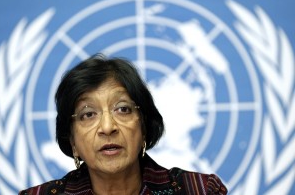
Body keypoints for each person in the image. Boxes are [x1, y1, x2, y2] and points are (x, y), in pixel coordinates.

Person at [19, 53, 227, 195]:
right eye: (88, 114)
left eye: (123, 109)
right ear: (72, 140)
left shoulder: (199, 190)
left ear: (144, 127)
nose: (108, 127)